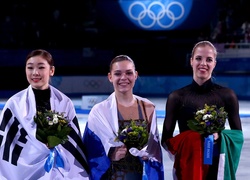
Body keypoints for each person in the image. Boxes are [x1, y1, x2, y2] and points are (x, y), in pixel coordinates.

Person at [0, 49, 89, 179]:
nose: (35, 72)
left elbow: (72, 144)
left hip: (57, 171)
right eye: (30, 68)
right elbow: (6, 146)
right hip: (23, 172)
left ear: (51, 70)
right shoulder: (14, 104)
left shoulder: (64, 103)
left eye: (41, 67)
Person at [161, 40, 244, 180]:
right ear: (191, 61)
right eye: (199, 58)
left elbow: (238, 136)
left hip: (217, 169)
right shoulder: (176, 97)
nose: (203, 63)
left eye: (209, 59)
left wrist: (219, 136)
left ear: (214, 64)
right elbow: (166, 140)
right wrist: (191, 139)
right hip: (189, 169)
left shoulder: (227, 96)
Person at [82, 55, 164, 180]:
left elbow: (155, 153)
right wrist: (110, 154)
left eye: (129, 73)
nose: (124, 78)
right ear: (110, 77)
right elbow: (90, 152)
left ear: (136, 75)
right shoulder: (98, 112)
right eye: (118, 73)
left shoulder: (148, 108)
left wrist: (148, 155)